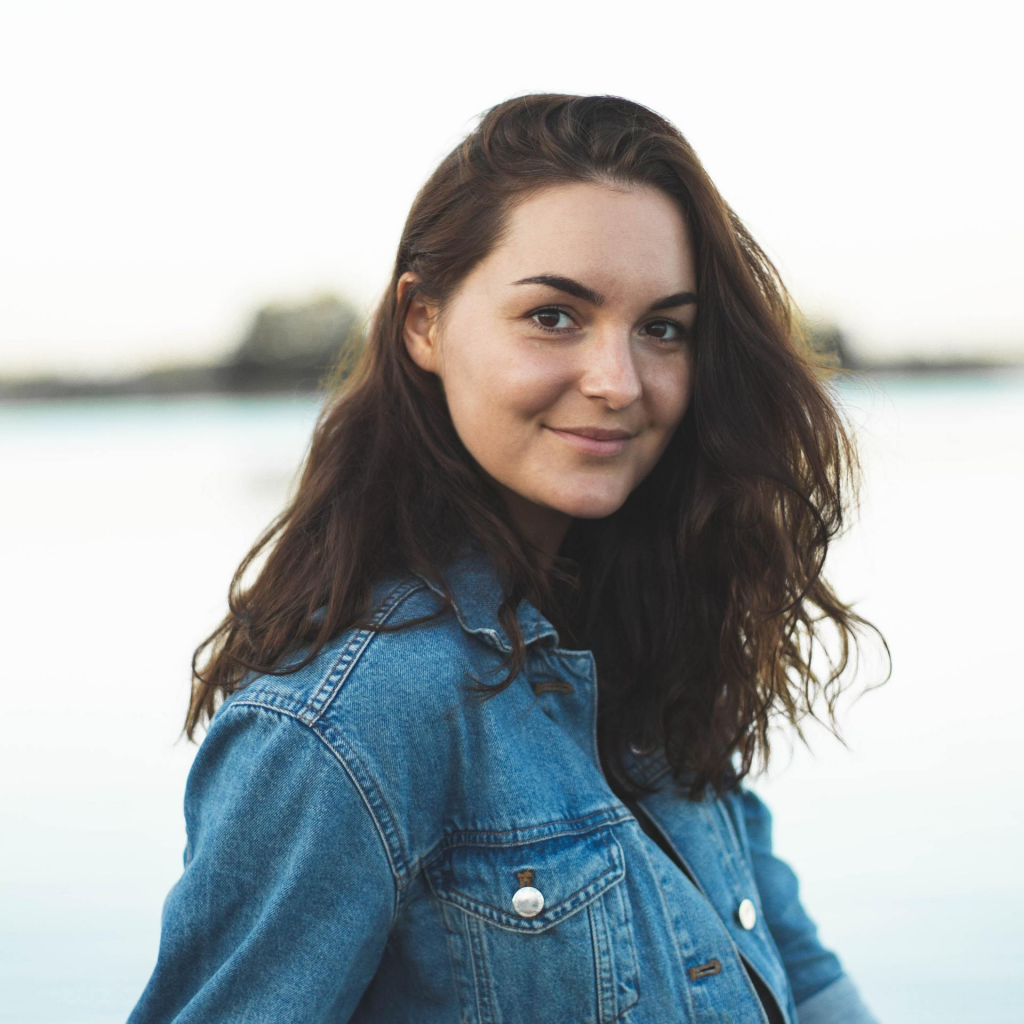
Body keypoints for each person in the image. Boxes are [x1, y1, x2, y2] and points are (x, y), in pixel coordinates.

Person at [127, 93, 888, 1023]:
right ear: (424, 324)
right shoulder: (347, 726)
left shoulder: (647, 640)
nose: (618, 382)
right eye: (555, 317)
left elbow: (798, 971)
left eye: (664, 328)